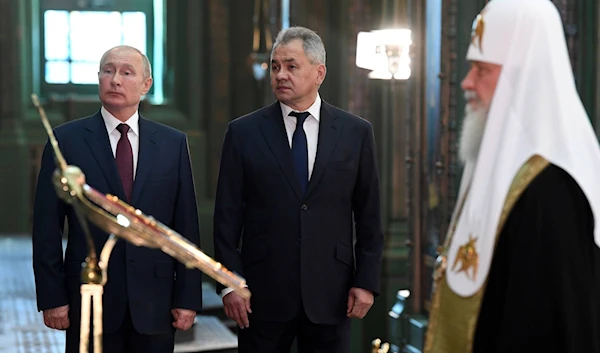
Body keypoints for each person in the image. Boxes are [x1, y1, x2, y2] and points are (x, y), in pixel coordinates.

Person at [424, 0, 600, 352]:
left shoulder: (555, 192)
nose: (466, 83)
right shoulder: (490, 165)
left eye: (481, 70)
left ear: (523, 78)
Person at [213, 26, 384, 353]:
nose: (280, 75)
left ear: (319, 73)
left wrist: (366, 282)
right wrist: (229, 285)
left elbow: (370, 216)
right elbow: (226, 218)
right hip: (260, 295)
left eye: (291, 66)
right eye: (275, 67)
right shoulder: (243, 132)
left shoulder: (355, 133)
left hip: (332, 292)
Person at [32, 45, 203, 353]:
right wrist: (52, 297)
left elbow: (186, 227)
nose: (115, 80)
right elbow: (46, 227)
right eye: (108, 71)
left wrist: (187, 298)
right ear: (98, 77)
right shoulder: (66, 141)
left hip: (155, 301)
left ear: (146, 84)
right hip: (89, 298)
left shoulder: (172, 144)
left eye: (127, 72)